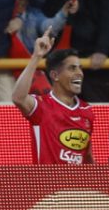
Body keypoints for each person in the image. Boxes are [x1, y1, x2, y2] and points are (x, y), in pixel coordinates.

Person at [11, 31, 93, 165]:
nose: (80, 73)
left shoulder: (87, 110)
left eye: (80, 68)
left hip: (76, 184)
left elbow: (87, 156)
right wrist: (36, 57)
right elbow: (18, 98)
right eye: (72, 68)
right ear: (55, 76)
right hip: (48, 183)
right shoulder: (41, 106)